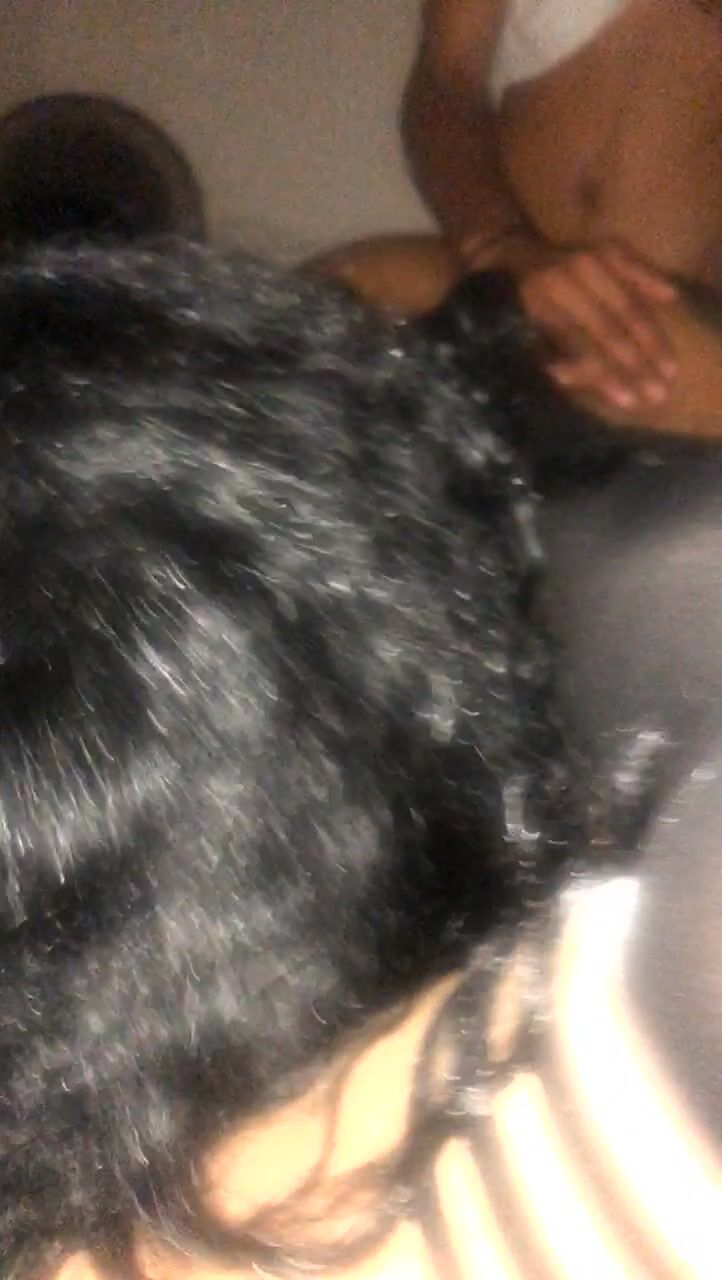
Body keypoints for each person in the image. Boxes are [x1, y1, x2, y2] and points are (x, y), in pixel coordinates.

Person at [309, 0, 722, 420]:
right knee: (314, 317)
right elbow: (446, 82)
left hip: (666, 341)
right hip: (497, 279)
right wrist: (500, 248)